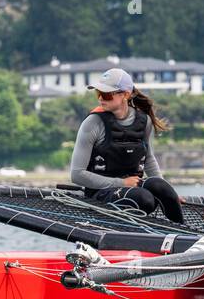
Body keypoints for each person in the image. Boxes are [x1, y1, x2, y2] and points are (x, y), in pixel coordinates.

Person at [70, 67, 184, 224]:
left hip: (132, 186)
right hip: (101, 192)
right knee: (145, 199)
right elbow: (76, 174)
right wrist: (121, 183)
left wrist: (170, 196)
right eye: (98, 93)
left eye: (106, 94)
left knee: (162, 187)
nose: (100, 99)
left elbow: (148, 159)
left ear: (125, 94)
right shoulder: (92, 124)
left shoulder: (144, 121)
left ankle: (184, 234)